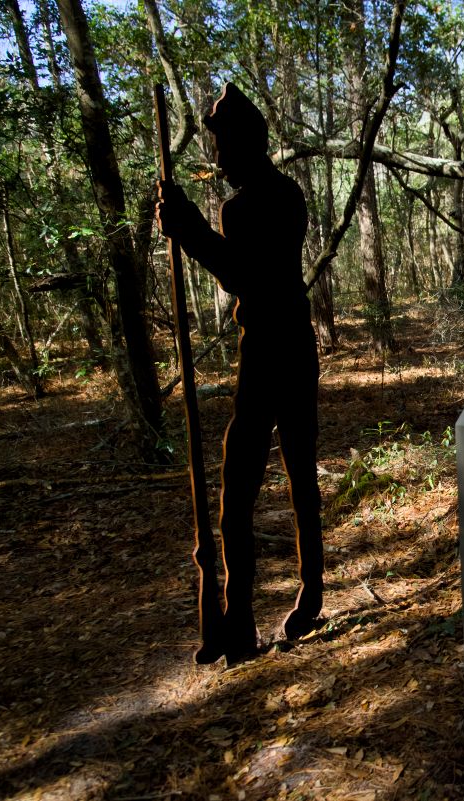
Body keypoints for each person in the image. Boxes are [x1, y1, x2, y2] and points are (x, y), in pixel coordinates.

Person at [156, 83, 322, 665]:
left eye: (224, 147)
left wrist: (190, 229)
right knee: (249, 484)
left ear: (249, 143)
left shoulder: (267, 200)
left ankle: (303, 595)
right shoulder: (265, 196)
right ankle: (240, 616)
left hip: (283, 350)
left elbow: (243, 275)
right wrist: (189, 228)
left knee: (292, 473)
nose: (219, 159)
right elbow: (239, 274)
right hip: (273, 348)